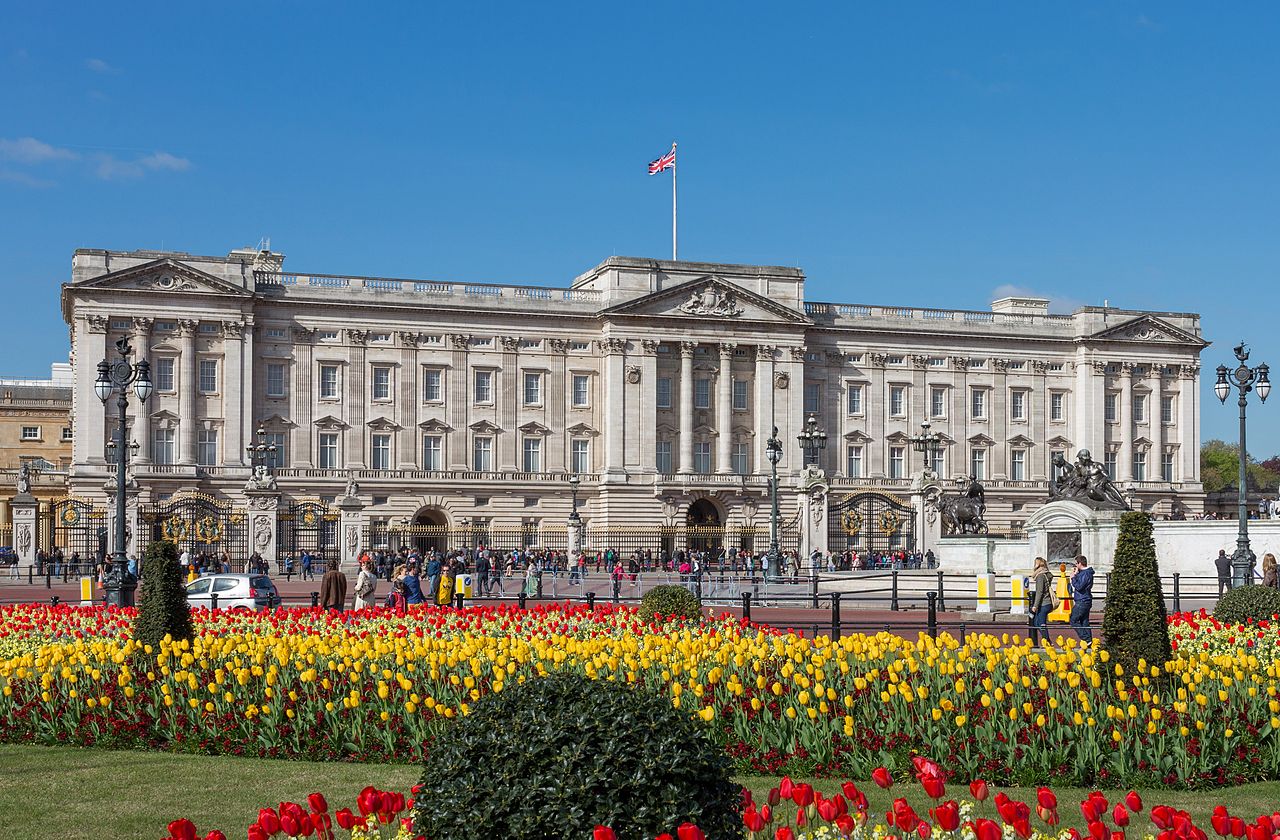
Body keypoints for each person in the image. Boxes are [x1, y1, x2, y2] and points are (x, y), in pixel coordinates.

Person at [1027, 556, 1053, 648]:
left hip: (1044, 603)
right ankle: (1047, 640)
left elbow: (1039, 592)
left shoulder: (1040, 576)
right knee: (1038, 622)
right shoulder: (1046, 574)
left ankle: (1047, 642)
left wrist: (1035, 606)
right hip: (1047, 602)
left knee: (1040, 623)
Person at [1069, 555, 1094, 644]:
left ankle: (1086, 639)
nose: (1075, 566)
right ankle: (1089, 641)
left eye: (1076, 563)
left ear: (1080, 563)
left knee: (1073, 620)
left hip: (1082, 600)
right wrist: (1076, 574)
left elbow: (1079, 586)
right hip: (1084, 599)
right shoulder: (1085, 573)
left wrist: (1073, 578)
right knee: (1084, 621)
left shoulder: (1086, 573)